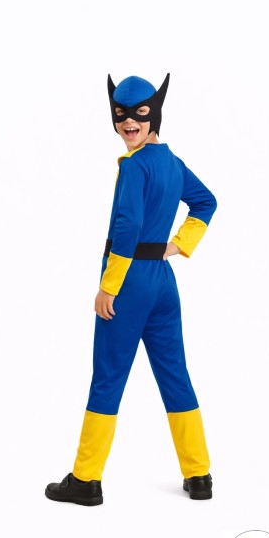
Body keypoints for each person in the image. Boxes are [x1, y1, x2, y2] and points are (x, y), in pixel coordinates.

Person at [45, 73, 218, 506]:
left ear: (154, 114)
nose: (128, 123)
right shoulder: (172, 162)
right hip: (163, 283)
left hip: (129, 283)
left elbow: (128, 225)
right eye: (120, 115)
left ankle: (86, 479)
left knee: (108, 377)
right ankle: (199, 475)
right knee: (175, 374)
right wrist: (178, 245)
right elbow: (206, 201)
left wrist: (109, 287)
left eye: (138, 114)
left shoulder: (135, 165)